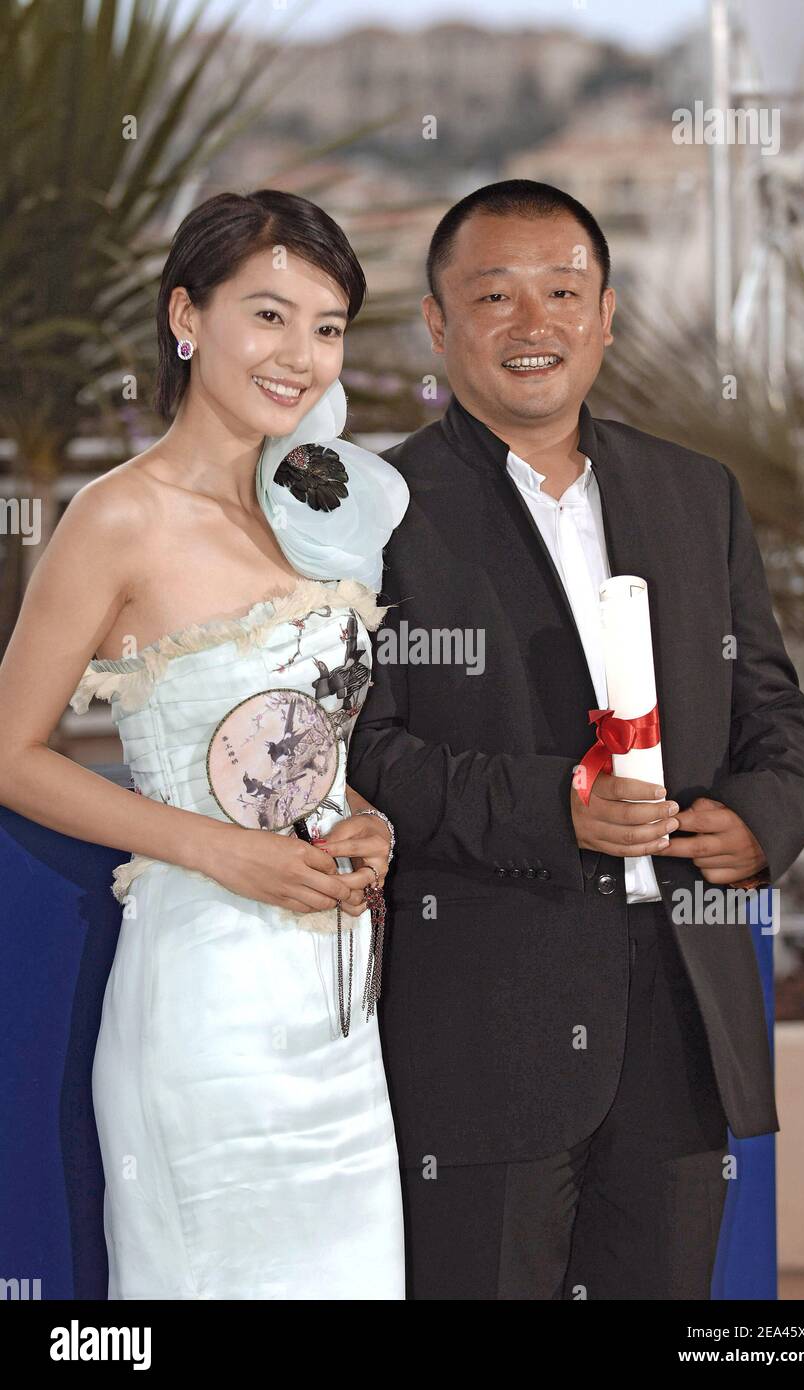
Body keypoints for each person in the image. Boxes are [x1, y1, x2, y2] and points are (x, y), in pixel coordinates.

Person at [347, 179, 804, 1300]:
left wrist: (759, 822)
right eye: (495, 297)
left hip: (679, 1013)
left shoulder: (695, 494)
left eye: (563, 292)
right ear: (436, 323)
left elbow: (778, 722)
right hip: (482, 1025)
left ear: (605, 313)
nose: (534, 324)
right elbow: (368, 752)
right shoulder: (378, 510)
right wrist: (548, 806)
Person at [0, 189, 410, 1300]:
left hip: (332, 1007)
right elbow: (11, 751)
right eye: (269, 316)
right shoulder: (115, 516)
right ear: (186, 316)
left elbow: (298, 740)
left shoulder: (315, 515)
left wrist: (357, 810)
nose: (302, 355)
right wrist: (217, 851)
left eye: (327, 327)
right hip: (204, 1006)